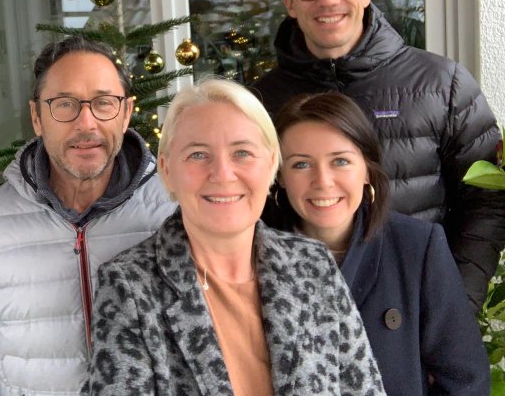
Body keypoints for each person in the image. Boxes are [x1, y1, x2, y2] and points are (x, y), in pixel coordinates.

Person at [253, 0, 505, 309]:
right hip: (299, 315)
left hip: (414, 308)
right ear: (290, 2)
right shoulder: (258, 103)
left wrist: (454, 303)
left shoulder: (442, 83)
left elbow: (487, 200)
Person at [88, 78, 385, 396]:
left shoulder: (314, 264)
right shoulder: (129, 286)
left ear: (271, 164)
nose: (223, 174)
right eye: (198, 155)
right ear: (167, 170)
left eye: (242, 152)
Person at [0, 36, 177, 394]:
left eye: (103, 103)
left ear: (126, 113)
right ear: (36, 117)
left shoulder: (174, 211)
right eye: (65, 104)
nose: (86, 123)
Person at [272, 91, 489, 395]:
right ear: (280, 175)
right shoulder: (256, 255)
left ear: (367, 169)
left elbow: (466, 381)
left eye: (340, 161)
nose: (323, 181)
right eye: (301, 164)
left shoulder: (416, 247)